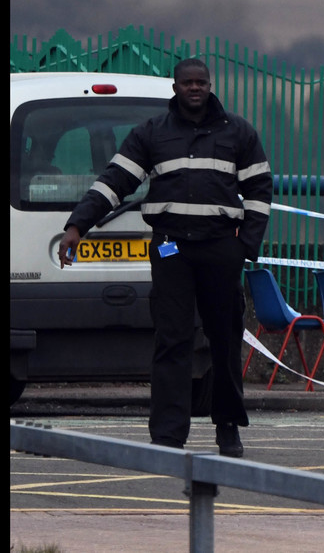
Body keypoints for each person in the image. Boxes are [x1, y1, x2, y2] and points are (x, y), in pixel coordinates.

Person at [59, 58, 273, 458]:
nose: (195, 88)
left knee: (224, 341)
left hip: (221, 249)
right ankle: (168, 437)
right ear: (175, 88)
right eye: (187, 83)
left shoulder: (238, 132)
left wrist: (246, 245)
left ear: (210, 86)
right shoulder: (151, 134)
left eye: (201, 82)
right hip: (171, 249)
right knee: (172, 340)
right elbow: (114, 182)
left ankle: (228, 427)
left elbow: (261, 189)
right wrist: (77, 226)